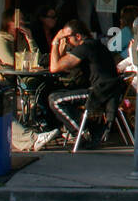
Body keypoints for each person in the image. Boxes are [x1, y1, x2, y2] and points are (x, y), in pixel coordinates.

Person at [36, 19, 127, 150]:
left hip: (98, 93)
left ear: (78, 36)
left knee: (55, 99)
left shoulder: (85, 48)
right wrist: (61, 48)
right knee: (56, 92)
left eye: (67, 38)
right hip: (107, 92)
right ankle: (86, 128)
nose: (66, 41)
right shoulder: (95, 45)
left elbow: (54, 67)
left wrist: (55, 42)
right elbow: (61, 64)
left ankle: (82, 134)